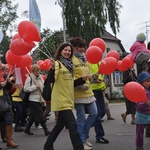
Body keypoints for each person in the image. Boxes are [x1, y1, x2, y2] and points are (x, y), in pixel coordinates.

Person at [44, 43, 84, 150]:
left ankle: (47, 146)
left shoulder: (70, 67)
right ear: (60, 51)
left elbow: (70, 83)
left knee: (59, 126)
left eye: (69, 51)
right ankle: (79, 148)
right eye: (65, 50)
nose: (67, 52)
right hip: (60, 99)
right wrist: (52, 69)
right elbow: (51, 80)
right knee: (73, 125)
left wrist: (81, 80)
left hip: (68, 99)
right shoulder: (57, 64)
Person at [70, 37, 98, 150]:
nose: (81, 49)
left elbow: (86, 75)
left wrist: (93, 77)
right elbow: (70, 78)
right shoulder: (71, 60)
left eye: (82, 47)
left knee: (94, 113)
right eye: (78, 47)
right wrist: (81, 85)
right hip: (78, 93)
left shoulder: (85, 59)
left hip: (89, 91)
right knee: (81, 118)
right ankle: (81, 141)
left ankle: (84, 136)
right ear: (74, 48)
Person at [24, 64, 50, 136]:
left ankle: (27, 129)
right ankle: (46, 130)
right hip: (32, 99)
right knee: (40, 114)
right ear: (33, 71)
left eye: (39, 70)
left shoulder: (41, 78)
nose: (38, 72)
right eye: (36, 70)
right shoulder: (29, 79)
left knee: (33, 115)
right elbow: (25, 89)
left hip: (40, 99)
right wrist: (35, 87)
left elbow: (43, 87)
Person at [88, 63, 110, 144]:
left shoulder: (100, 62)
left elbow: (102, 74)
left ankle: (85, 127)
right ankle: (99, 136)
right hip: (92, 91)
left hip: (100, 90)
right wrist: (94, 79)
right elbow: (86, 76)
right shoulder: (87, 62)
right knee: (97, 115)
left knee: (103, 111)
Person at [0, 65, 18, 148]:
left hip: (5, 100)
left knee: (9, 120)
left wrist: (8, 83)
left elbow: (8, 89)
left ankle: (9, 140)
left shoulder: (3, 73)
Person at [135, 71, 150, 150]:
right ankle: (139, 146)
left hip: (149, 113)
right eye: (147, 81)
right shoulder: (139, 91)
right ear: (141, 82)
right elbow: (138, 104)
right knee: (139, 132)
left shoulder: (148, 90)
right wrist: (145, 103)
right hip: (141, 114)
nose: (149, 83)